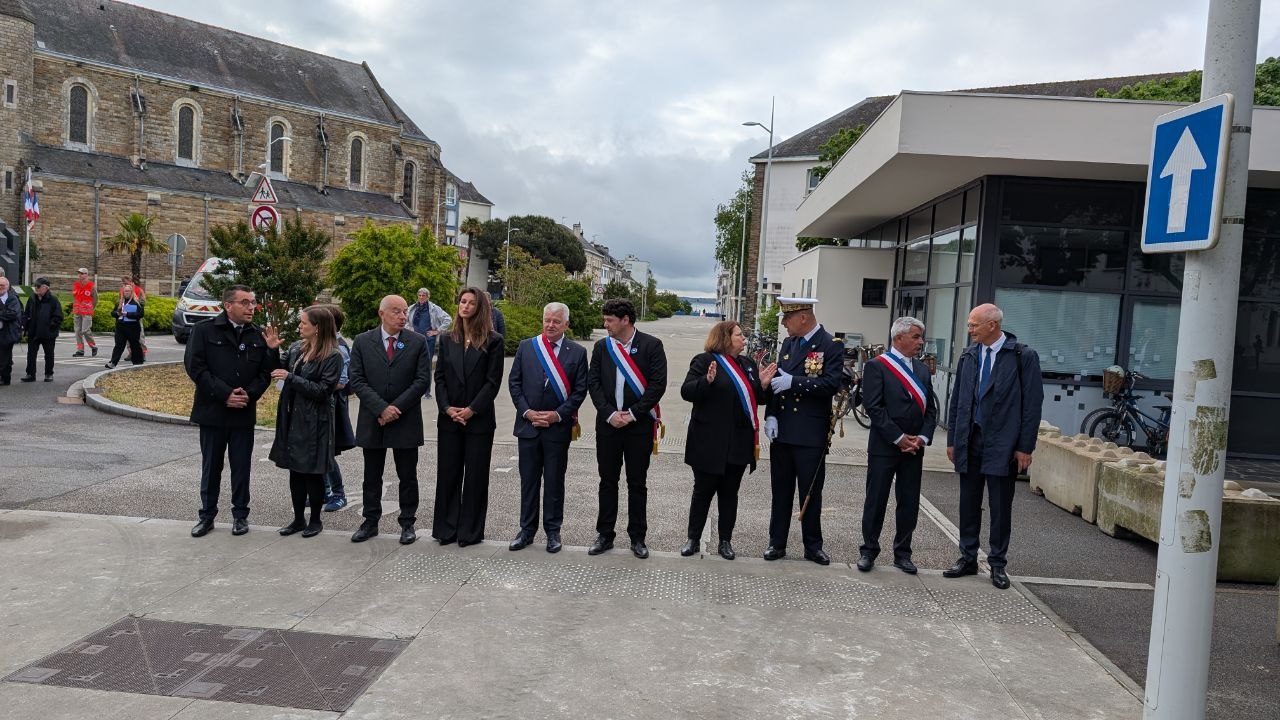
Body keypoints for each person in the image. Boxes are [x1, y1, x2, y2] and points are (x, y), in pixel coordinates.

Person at [945, 303, 1043, 590]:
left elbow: (1032, 405)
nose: (969, 329)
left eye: (974, 324)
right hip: (970, 441)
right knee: (968, 503)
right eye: (969, 324)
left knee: (1000, 506)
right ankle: (967, 557)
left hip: (1004, 444)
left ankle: (997, 563)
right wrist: (953, 440)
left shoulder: (1022, 356)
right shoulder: (969, 355)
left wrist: (1025, 447)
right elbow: (957, 400)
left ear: (992, 325)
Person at [184, 285, 278, 537]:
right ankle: (207, 516)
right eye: (245, 302)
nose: (251, 307)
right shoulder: (204, 330)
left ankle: (240, 516)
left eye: (253, 302)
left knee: (241, 467)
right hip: (213, 411)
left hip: (243, 412)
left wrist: (250, 394)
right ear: (228, 305)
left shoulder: (258, 334)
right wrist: (225, 394)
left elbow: (266, 372)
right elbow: (195, 367)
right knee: (211, 467)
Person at [679, 321, 776, 560]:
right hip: (708, 441)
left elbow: (756, 398)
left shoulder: (747, 364)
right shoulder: (704, 361)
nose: (744, 339)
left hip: (738, 442)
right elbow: (687, 391)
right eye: (739, 335)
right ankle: (693, 539)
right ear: (725, 338)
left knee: (729, 494)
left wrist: (763, 386)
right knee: (702, 492)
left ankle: (725, 541)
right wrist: (707, 381)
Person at [762, 297, 843, 565]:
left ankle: (813, 546)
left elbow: (831, 384)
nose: (784, 324)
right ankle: (777, 543)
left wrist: (794, 382)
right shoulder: (789, 343)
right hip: (784, 431)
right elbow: (777, 383)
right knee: (781, 491)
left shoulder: (830, 345)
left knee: (810, 493)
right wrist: (771, 415)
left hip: (810, 433)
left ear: (804, 317)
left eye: (787, 318)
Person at [586, 298, 667, 559]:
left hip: (638, 426)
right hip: (608, 425)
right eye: (605, 319)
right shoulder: (602, 347)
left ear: (625, 320)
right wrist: (609, 414)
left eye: (609, 320)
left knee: (637, 483)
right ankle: (605, 534)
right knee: (607, 481)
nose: (605, 324)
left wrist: (632, 414)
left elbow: (658, 385)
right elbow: (593, 382)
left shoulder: (652, 346)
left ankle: (637, 537)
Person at [347, 294, 431, 545]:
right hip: (374, 418)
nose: (402, 316)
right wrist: (381, 409)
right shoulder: (363, 341)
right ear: (381, 313)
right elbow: (357, 379)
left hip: (405, 418)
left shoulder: (417, 342)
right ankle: (370, 521)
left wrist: (395, 409)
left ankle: (407, 522)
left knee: (408, 475)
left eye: (405, 311)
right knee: (372, 475)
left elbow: (421, 380)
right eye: (396, 311)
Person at [857, 316, 938, 574]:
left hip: (914, 448)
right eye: (916, 337)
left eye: (921, 337)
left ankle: (903, 553)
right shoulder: (876, 366)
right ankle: (869, 551)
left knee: (909, 502)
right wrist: (899, 437)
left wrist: (922, 437)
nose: (920, 342)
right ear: (899, 337)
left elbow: (931, 410)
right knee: (876, 500)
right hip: (885, 446)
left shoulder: (922, 370)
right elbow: (874, 407)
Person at [507, 302, 589, 553]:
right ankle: (526, 530)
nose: (550, 325)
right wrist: (527, 412)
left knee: (554, 482)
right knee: (529, 482)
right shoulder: (527, 346)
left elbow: (580, 391)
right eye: (547, 320)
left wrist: (557, 415)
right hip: (528, 426)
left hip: (557, 429)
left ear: (566, 324)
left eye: (556, 321)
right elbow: (514, 383)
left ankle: (553, 531)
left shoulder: (577, 352)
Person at [432, 287, 504, 546]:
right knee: (448, 475)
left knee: (475, 478)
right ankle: (446, 529)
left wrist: (472, 409)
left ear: (480, 308)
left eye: (471, 303)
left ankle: (469, 532)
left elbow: (492, 382)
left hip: (479, 419)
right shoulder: (447, 338)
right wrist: (446, 408)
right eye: (462, 301)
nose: (465, 306)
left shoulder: (493, 340)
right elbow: (440, 378)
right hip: (449, 418)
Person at [264, 306, 343, 538]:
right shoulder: (297, 348)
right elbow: (278, 369)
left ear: (317, 328)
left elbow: (323, 391)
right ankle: (298, 519)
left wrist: (291, 378)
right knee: (296, 471)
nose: (300, 326)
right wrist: (272, 350)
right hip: (292, 417)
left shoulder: (333, 356)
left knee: (313, 472)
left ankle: (315, 520)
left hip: (315, 421)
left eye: (304, 323)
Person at [322, 304, 356, 512]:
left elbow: (342, 382)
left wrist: (309, 384)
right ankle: (325, 491)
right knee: (321, 450)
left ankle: (338, 493)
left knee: (327, 452)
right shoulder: (322, 343)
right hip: (321, 404)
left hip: (332, 406)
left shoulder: (339, 347)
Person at [408, 287, 451, 397]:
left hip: (428, 340)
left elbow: (448, 319)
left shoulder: (434, 308)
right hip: (414, 339)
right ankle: (414, 389)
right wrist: (410, 328)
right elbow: (404, 321)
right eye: (419, 295)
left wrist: (437, 331)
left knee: (427, 365)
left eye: (424, 295)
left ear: (428, 297)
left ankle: (427, 391)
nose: (421, 297)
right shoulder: (412, 308)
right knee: (413, 363)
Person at [21, 277, 62, 383]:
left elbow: (58, 317)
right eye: (35, 285)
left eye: (38, 286)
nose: (36, 288)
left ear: (46, 288)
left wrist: (50, 326)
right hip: (33, 331)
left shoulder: (53, 300)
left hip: (48, 333)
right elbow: (26, 313)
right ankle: (30, 374)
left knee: (49, 355)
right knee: (31, 354)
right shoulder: (32, 298)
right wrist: (25, 325)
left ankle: (49, 374)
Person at [104, 284, 145, 368]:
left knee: (135, 345)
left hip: (133, 327)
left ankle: (138, 362)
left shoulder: (137, 302)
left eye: (128, 291)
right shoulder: (120, 302)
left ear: (131, 292)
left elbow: (140, 314)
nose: (126, 293)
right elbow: (112, 313)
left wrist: (127, 314)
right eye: (125, 291)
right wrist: (117, 313)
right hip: (121, 327)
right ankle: (113, 363)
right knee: (119, 345)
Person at [71, 268, 98, 357]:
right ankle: (80, 350)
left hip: (87, 311)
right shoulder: (76, 284)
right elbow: (75, 296)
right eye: (79, 273)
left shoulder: (91, 285)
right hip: (77, 310)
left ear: (86, 274)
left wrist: (90, 308)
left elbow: (95, 298)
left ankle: (93, 346)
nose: (80, 275)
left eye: (82, 273)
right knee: (77, 331)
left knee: (85, 330)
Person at [0, 276, 21, 386]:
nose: (0, 287)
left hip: (8, 332)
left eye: (2, 285)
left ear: (7, 287)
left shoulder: (13, 299)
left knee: (5, 357)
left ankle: (5, 377)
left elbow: (12, 314)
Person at [120, 275, 147, 355]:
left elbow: (143, 301)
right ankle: (131, 352)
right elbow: (121, 300)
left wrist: (139, 304)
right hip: (125, 316)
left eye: (125, 283)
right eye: (123, 283)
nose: (124, 285)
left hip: (136, 317)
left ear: (130, 281)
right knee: (127, 336)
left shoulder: (138, 289)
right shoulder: (123, 290)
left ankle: (142, 352)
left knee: (140, 335)